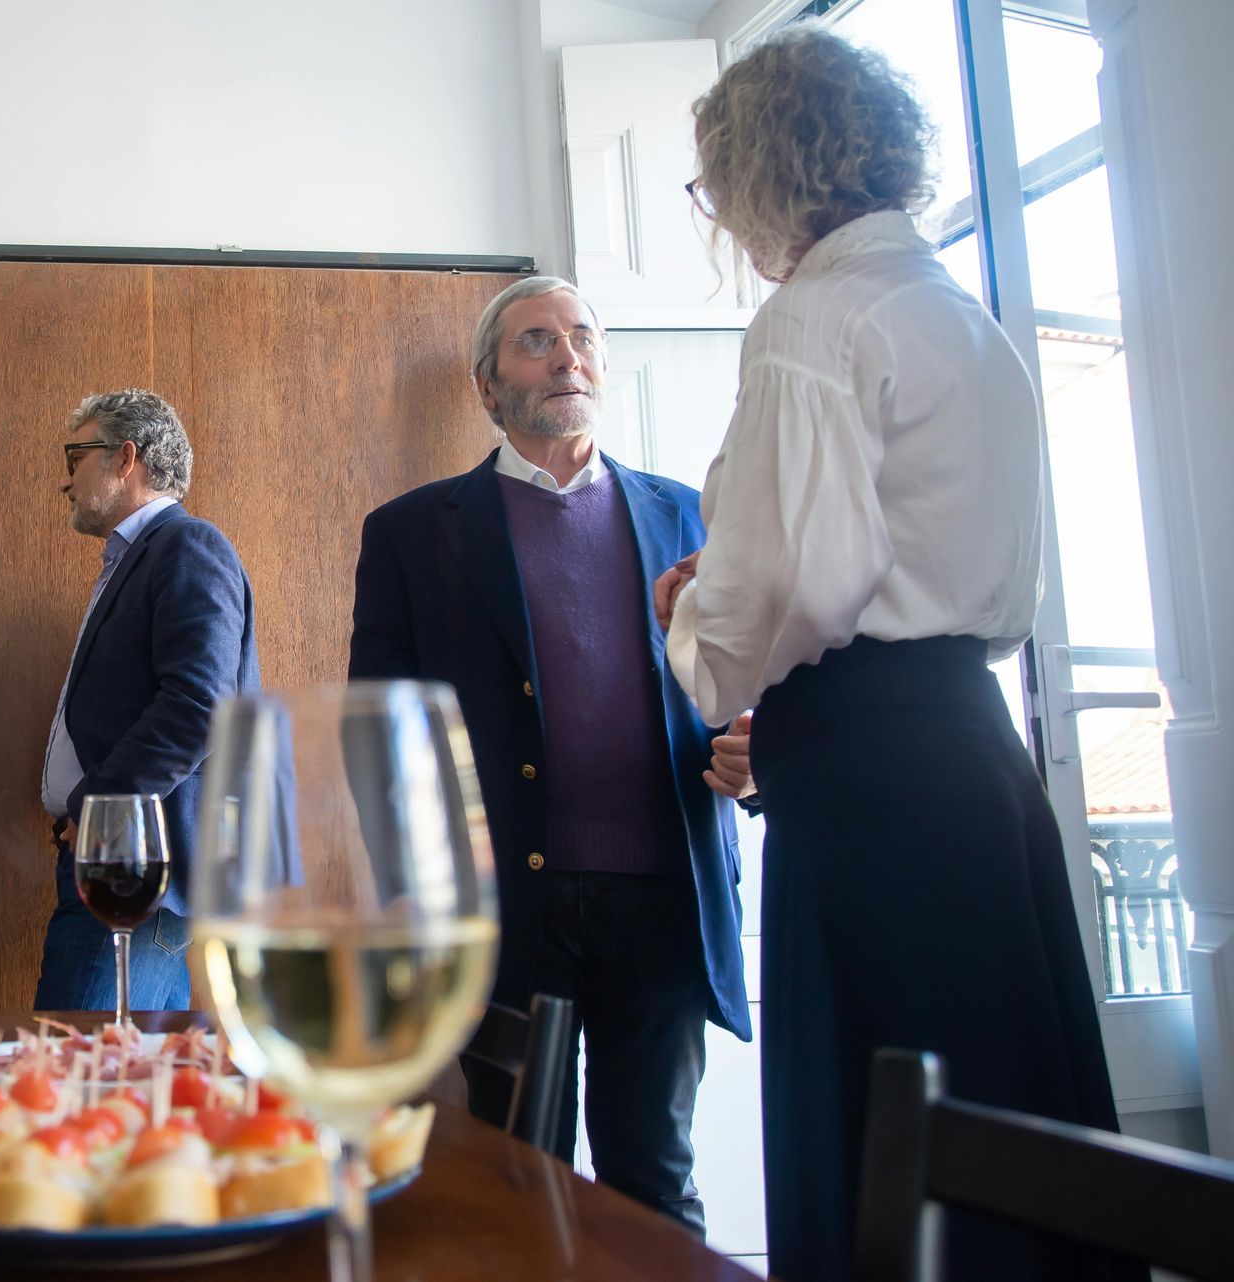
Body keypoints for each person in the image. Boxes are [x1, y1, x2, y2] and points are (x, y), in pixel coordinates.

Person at [664, 27, 1127, 1281]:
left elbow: (793, 587)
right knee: (1009, 1127)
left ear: (757, 176)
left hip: (872, 797)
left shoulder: (812, 320)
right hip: (974, 758)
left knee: (887, 1149)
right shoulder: (961, 317)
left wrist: (695, 626)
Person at [348, 275, 752, 1233]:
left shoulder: (691, 515)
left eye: (581, 337)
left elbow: (746, 690)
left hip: (664, 897)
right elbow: (380, 732)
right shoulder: (412, 532)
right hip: (499, 910)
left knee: (653, 1186)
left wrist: (753, 753)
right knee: (517, 1181)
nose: (567, 354)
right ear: (488, 387)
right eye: (536, 341)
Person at [33, 389, 258, 1012]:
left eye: (75, 454)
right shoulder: (142, 556)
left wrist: (99, 811)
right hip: (118, 863)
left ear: (125, 457)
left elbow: (200, 706)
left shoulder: (188, 546)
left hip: (138, 872)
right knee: (111, 1070)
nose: (65, 479)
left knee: (85, 1070)